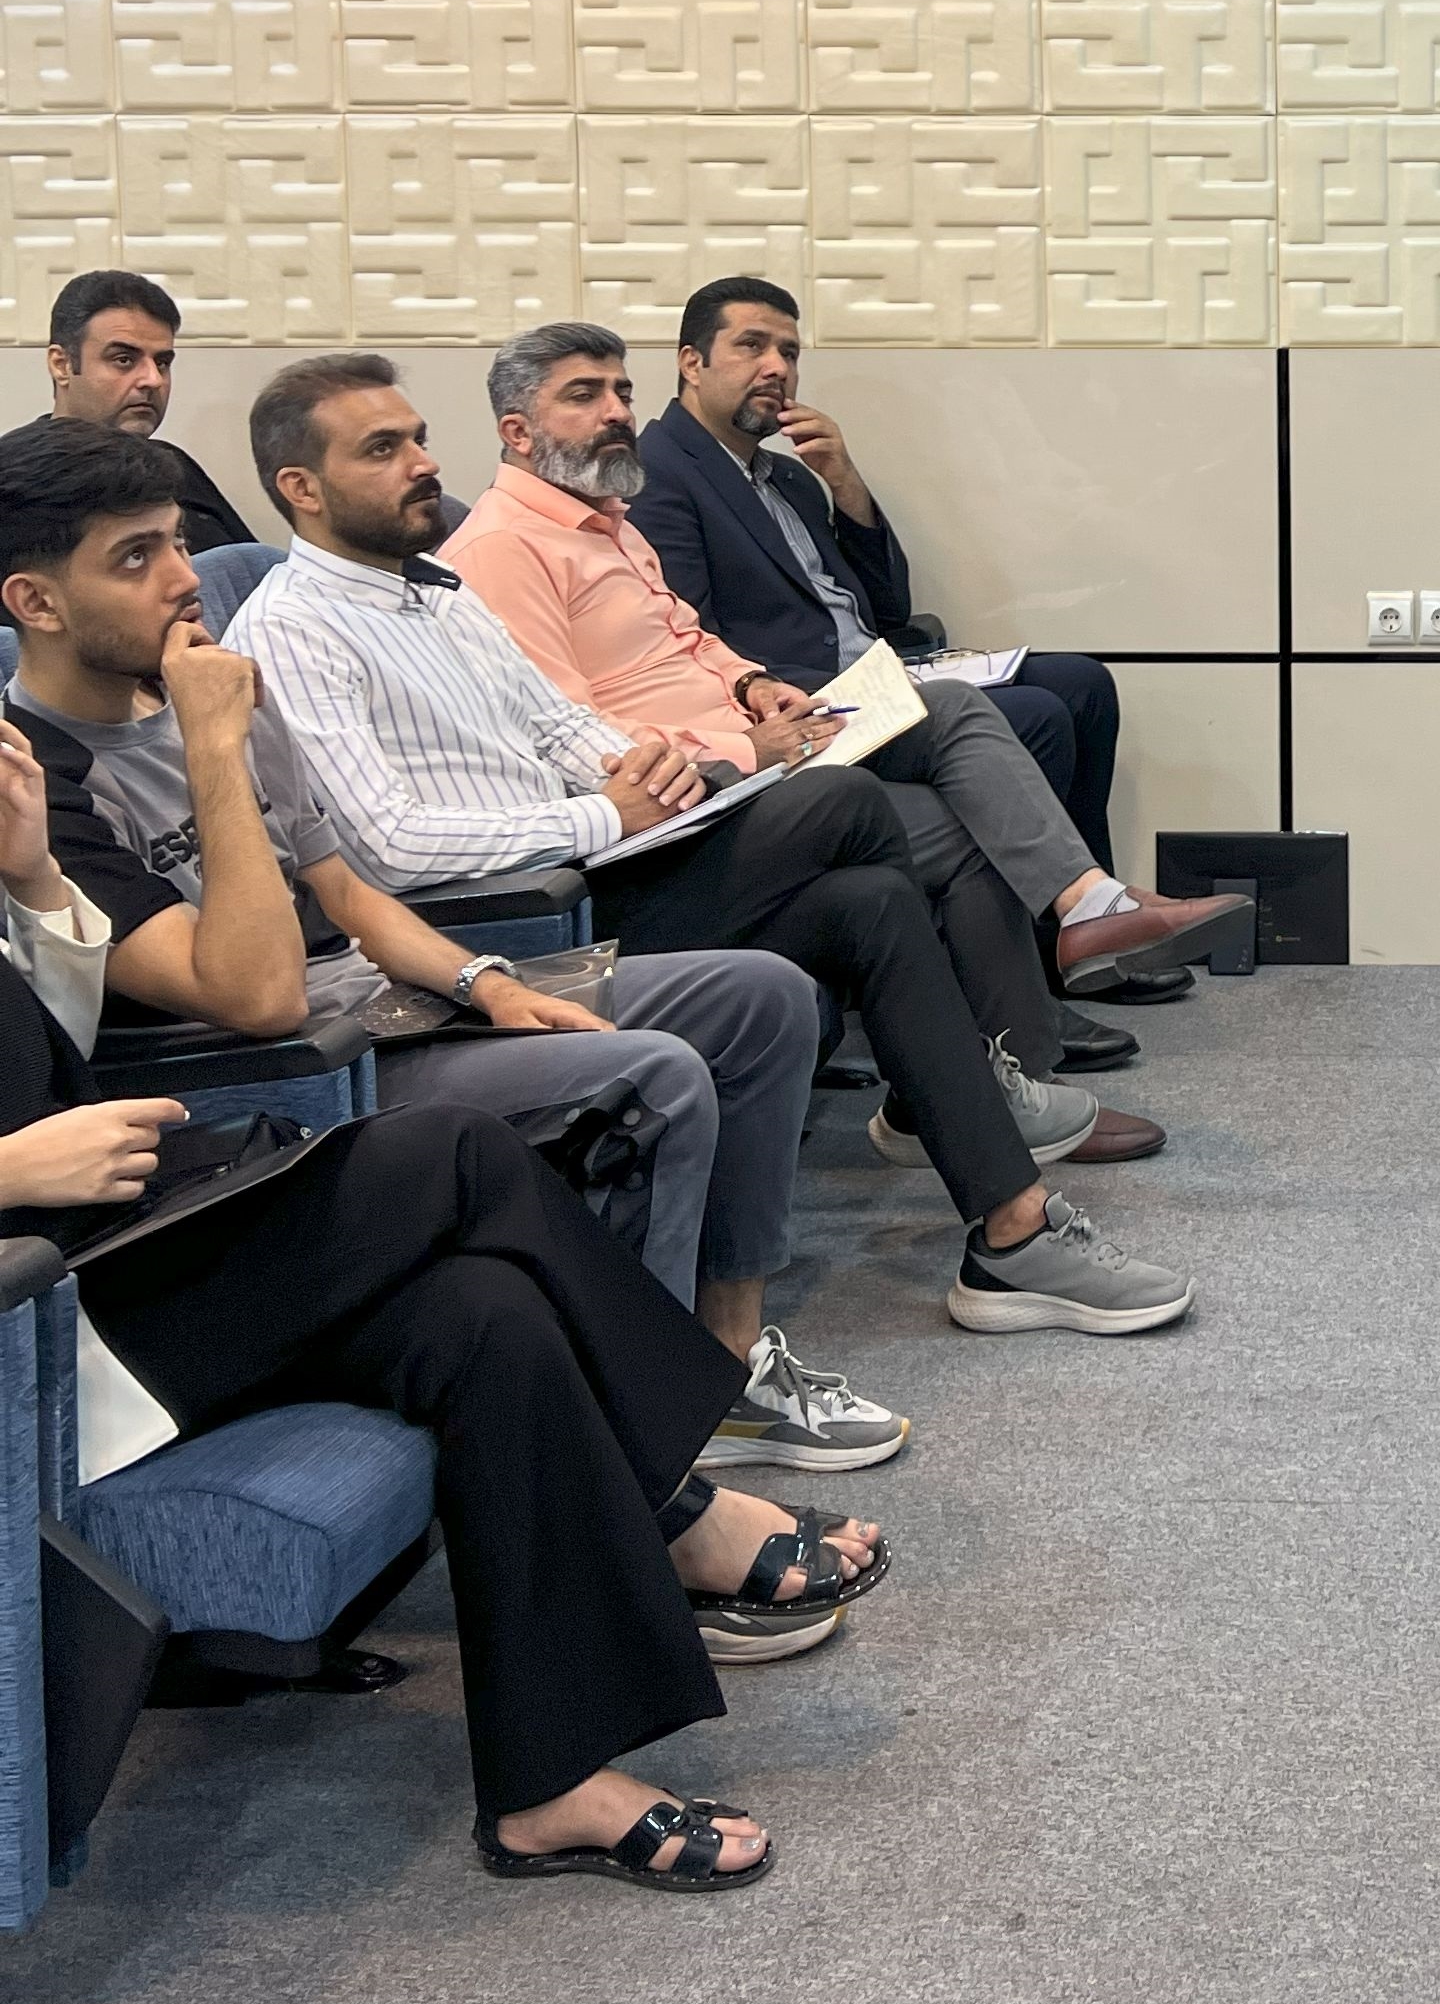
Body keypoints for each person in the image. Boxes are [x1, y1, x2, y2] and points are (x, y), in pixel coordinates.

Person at [0, 732, 887, 1884]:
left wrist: (31, 876)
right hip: (44, 1333)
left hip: (109, 1252)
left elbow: (55, 1050)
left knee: (485, 1312)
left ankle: (548, 1783)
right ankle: (671, 1498)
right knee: (461, 1157)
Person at [0, 416, 907, 1482]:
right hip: (290, 1069)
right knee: (655, 1076)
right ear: (36, 603)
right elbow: (258, 997)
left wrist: (484, 981)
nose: (183, 580)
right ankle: (667, 1444)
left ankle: (729, 1357)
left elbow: (344, 888)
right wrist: (210, 749)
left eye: (177, 543)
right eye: (135, 558)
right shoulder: (44, 781)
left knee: (763, 1000)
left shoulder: (209, 687)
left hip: (385, 998)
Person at [223, 362, 1194, 1346]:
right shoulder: (290, 628)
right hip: (496, 927)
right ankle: (952, 1088)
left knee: (868, 902)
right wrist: (606, 815)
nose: (424, 464)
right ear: (302, 487)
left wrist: (646, 767)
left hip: (590, 867)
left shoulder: (436, 594)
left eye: (419, 439)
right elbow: (385, 848)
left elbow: (560, 725)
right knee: (845, 800)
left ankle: (1010, 1232)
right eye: (383, 450)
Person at [449, 322, 1234, 1062]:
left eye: (621, 390)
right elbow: (570, 739)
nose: (618, 411)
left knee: (955, 706)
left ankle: (1086, 913)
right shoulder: (501, 549)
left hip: (761, 747)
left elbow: (693, 638)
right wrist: (744, 747)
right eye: (585, 395)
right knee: (961, 817)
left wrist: (755, 684)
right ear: (518, 431)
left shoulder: (609, 520)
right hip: (691, 806)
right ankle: (1022, 1061)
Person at [635, 276, 1149, 990]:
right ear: (691, 362)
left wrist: (845, 482)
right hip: (809, 704)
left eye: (789, 352)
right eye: (751, 346)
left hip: (884, 668)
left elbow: (886, 606)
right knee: (1037, 715)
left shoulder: (789, 477)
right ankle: (1041, 960)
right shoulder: (658, 472)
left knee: (1082, 684)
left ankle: (1103, 929)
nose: (776, 367)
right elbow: (693, 643)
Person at [39, 271, 259, 554]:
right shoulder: (17, 485)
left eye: (162, 363)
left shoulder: (173, 466)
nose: (153, 380)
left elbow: (249, 572)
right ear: (62, 365)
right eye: (123, 360)